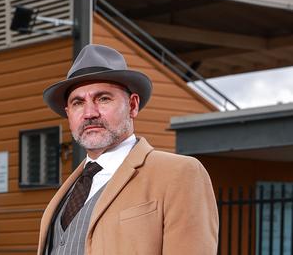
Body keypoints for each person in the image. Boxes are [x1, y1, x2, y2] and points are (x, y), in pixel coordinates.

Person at [37, 44, 218, 255]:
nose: (89, 113)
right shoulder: (68, 190)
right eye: (78, 103)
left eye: (103, 99)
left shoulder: (179, 173)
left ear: (132, 106)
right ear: (68, 114)